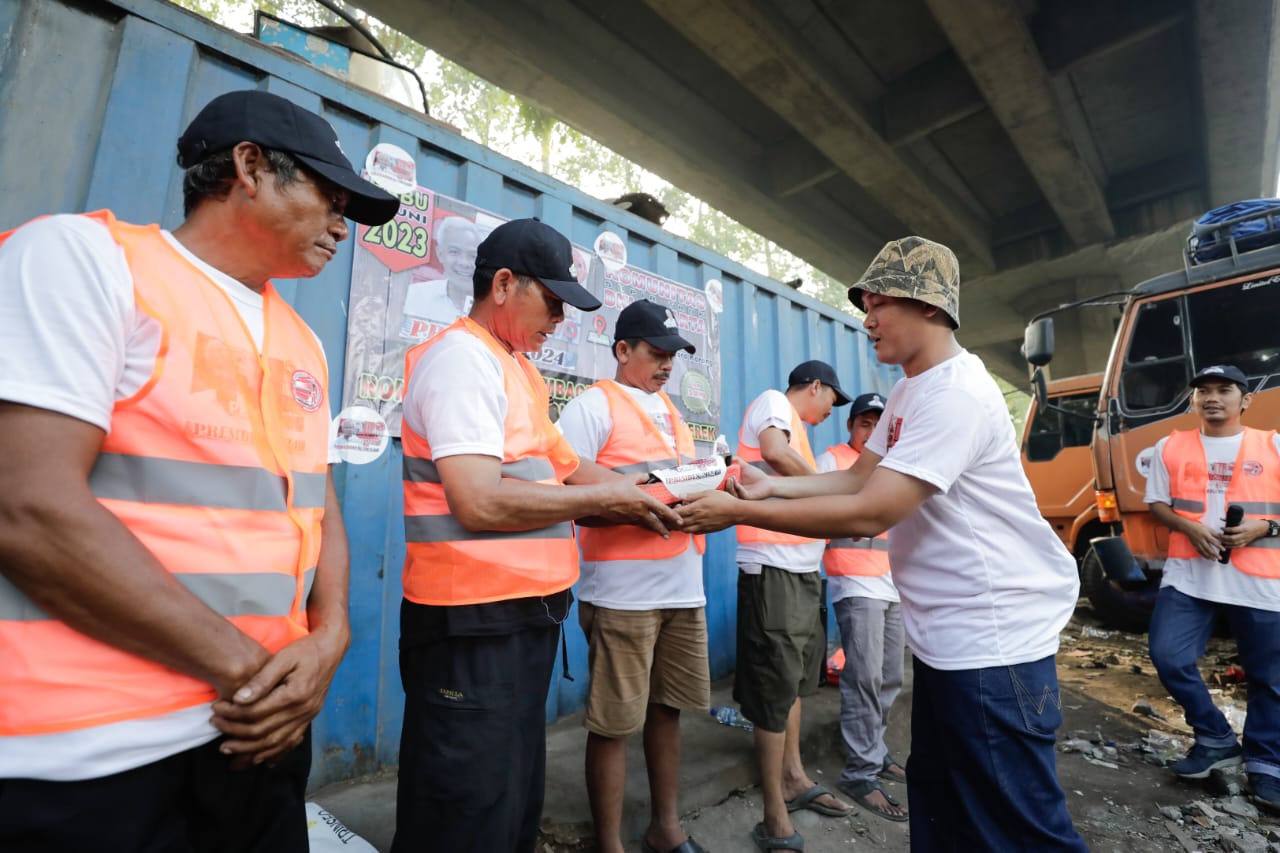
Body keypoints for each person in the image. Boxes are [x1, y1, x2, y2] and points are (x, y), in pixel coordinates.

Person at [0, 89, 400, 851]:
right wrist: (257, 674)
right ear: (249, 167)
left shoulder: (301, 339)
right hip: (89, 754)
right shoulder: (84, 261)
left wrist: (332, 635)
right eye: (330, 196)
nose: (345, 225)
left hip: (256, 742)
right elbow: (25, 505)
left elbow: (316, 502)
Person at [680, 236, 1087, 852]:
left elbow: (870, 512)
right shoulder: (908, 391)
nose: (866, 319)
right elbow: (852, 478)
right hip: (953, 642)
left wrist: (736, 510)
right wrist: (767, 495)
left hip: (994, 643)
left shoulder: (956, 394)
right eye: (864, 304)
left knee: (1020, 827)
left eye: (880, 303)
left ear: (931, 306)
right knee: (944, 805)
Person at [393, 219, 681, 853]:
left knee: (510, 794)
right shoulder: (462, 358)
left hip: (521, 617)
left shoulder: (516, 369)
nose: (559, 320)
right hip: (469, 619)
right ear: (503, 284)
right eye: (551, 303)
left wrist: (656, 494)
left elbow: (571, 465)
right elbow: (478, 499)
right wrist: (606, 499)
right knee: (465, 802)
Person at [557, 298, 710, 853]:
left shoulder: (672, 415)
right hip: (622, 596)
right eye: (656, 352)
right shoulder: (592, 407)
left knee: (667, 709)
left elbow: (683, 487)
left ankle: (665, 829)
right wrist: (639, 501)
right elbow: (566, 491)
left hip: (682, 589)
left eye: (673, 355)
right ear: (622, 350)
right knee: (614, 723)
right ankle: (610, 845)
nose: (667, 364)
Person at [1144, 364, 1280, 810]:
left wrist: (1264, 526)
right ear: (1192, 400)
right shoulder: (1171, 447)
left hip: (1261, 581)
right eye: (1203, 390)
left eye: (1225, 389)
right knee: (1169, 656)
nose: (1213, 397)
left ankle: (1267, 764)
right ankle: (1216, 737)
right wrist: (1189, 527)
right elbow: (1158, 505)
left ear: (1246, 400)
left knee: (1270, 679)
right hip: (1189, 577)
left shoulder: (1274, 444)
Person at [734, 358, 852, 851]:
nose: (832, 411)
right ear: (816, 387)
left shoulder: (799, 428)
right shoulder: (774, 403)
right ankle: (774, 813)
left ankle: (795, 777)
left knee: (799, 682)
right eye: (832, 400)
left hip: (802, 571)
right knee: (774, 689)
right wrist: (827, 495)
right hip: (772, 567)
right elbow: (773, 453)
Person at [814, 392, 908, 823]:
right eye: (863, 423)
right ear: (851, 427)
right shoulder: (833, 462)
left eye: (878, 423)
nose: (870, 431)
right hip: (855, 582)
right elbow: (822, 513)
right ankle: (859, 770)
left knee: (890, 677)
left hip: (893, 585)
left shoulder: (894, 469)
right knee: (864, 675)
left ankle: (874, 749)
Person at [401, 214, 481, 338]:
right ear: (440, 254)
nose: (464, 263)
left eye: (472, 255)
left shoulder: (488, 308)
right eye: (454, 252)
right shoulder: (416, 296)